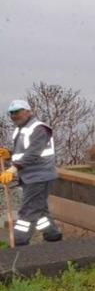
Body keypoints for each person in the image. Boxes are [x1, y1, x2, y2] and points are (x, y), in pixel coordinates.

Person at [0, 99, 63, 246]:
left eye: (18, 112)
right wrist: (9, 154)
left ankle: (19, 242)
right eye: (11, 113)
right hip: (30, 176)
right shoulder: (20, 129)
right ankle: (53, 235)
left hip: (39, 176)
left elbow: (34, 152)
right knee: (39, 210)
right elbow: (23, 152)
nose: (14, 116)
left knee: (28, 212)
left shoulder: (39, 128)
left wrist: (12, 169)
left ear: (28, 111)